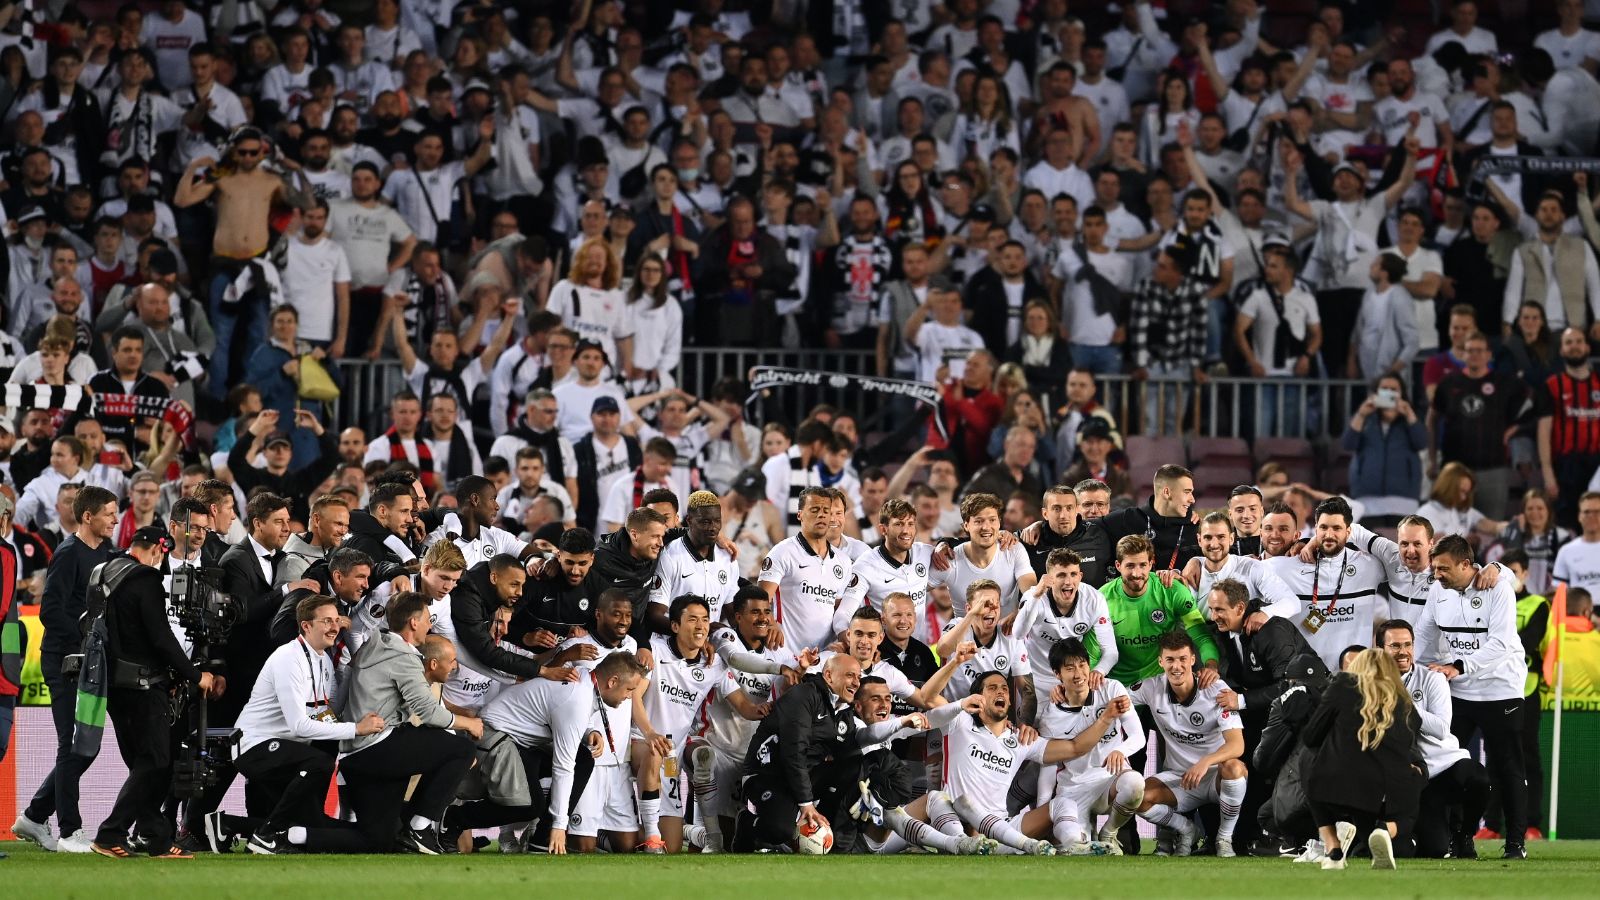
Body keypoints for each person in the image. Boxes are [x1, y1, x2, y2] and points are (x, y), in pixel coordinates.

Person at [89, 525, 213, 859]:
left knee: (144, 764)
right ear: (159, 549)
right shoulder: (145, 580)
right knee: (157, 761)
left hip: (113, 684)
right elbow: (160, 637)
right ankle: (110, 833)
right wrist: (193, 674)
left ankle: (155, 838)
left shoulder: (105, 572)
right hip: (144, 685)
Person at [232, 595, 385, 854]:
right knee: (321, 762)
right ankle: (265, 836)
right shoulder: (288, 658)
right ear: (306, 626)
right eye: (327, 621)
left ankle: (226, 824)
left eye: (337, 620)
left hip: (289, 751)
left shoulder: (323, 659)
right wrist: (356, 729)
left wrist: (350, 667)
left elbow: (330, 711)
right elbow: (299, 726)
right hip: (253, 746)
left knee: (313, 823)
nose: (335, 627)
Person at [13, 484, 117, 854]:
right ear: (87, 516)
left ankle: (34, 815)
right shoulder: (68, 554)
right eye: (109, 513)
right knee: (72, 743)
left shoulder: (107, 552)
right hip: (63, 661)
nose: (115, 519)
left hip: (91, 661)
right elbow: (49, 611)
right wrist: (85, 634)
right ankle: (70, 831)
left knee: (85, 746)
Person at [1414, 535, 1531, 860]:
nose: (1436, 574)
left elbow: (1501, 644)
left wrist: (1458, 666)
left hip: (1500, 690)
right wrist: (1410, 667)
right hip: (1461, 692)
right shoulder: (1439, 590)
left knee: (1508, 768)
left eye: (1443, 568)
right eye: (1435, 568)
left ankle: (1515, 843)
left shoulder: (1498, 588)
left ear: (1467, 565)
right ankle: (1460, 839)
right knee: (1449, 764)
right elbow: (1425, 632)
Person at [339, 592, 480, 854]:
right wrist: (467, 723)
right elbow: (427, 712)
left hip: (355, 753)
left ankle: (293, 835)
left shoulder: (375, 642)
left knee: (378, 839)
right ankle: (420, 828)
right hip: (377, 746)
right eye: (427, 619)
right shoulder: (404, 656)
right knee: (462, 749)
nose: (430, 625)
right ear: (414, 622)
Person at [1300, 648, 1423, 870]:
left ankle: (1333, 849)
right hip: (1388, 791)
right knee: (1408, 805)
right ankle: (1385, 830)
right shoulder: (1404, 701)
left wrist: (1335, 746)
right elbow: (1411, 739)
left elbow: (1310, 737)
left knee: (1308, 761)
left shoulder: (1343, 686)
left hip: (1338, 782)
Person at [1376, 619, 1489, 860]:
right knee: (1435, 850)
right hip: (1416, 777)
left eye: (1408, 645)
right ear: (1380, 651)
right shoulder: (1372, 685)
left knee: (1478, 778)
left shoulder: (1432, 679)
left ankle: (1465, 834)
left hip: (1445, 764)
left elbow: (1440, 728)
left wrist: (1402, 704)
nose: (1403, 652)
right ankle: (1440, 832)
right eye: (1395, 646)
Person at [1130, 630, 1248, 857]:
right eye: (1170, 660)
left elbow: (1237, 746)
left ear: (1193, 660)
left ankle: (1224, 838)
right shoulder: (1150, 688)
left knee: (1235, 768)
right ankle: (1187, 830)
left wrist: (1205, 762)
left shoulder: (1216, 690)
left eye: (1183, 659)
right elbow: (1111, 697)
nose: (1177, 666)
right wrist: (1067, 691)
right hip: (1180, 779)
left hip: (1215, 777)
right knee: (1134, 797)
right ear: (1160, 661)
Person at [759, 487, 856, 650]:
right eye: (814, 510)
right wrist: (770, 622)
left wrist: (843, 638)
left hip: (824, 658)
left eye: (827, 510)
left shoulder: (844, 561)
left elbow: (839, 613)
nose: (822, 515)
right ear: (800, 515)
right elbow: (760, 600)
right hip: (785, 654)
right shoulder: (783, 552)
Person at [1012, 549, 1118, 698]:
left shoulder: (1094, 599)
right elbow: (1018, 634)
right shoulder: (1034, 597)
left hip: (1072, 679)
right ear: (1049, 578)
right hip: (1035, 677)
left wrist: (1099, 670)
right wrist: (1036, 595)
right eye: (1061, 575)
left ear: (1080, 576)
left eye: (1073, 574)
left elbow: (1111, 651)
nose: (1068, 582)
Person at [1342, 374, 1429, 520]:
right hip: (1367, 499)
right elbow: (1348, 444)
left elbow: (1422, 443)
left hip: (1404, 500)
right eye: (1384, 389)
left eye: (1394, 389)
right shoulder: (1365, 419)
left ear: (1402, 394)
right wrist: (1361, 415)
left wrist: (1409, 414)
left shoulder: (1411, 418)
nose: (1389, 393)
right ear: (1376, 393)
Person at [1539, 328, 1600, 526]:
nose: (1574, 346)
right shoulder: (1552, 385)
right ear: (1562, 350)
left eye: (1578, 341)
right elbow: (1544, 431)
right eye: (1569, 342)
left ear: (1587, 347)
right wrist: (1548, 474)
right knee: (1567, 524)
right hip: (1566, 466)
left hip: (1597, 464)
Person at [1100, 464, 1201, 571]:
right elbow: (1088, 527)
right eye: (1187, 492)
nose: (1192, 499)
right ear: (1167, 493)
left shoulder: (1196, 527)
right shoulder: (1127, 519)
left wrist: (1198, 560)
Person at [1553, 491, 1600, 596]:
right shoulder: (1566, 551)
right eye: (1587, 512)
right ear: (1579, 516)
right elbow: (1559, 592)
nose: (1592, 516)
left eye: (1597, 512)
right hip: (1577, 611)